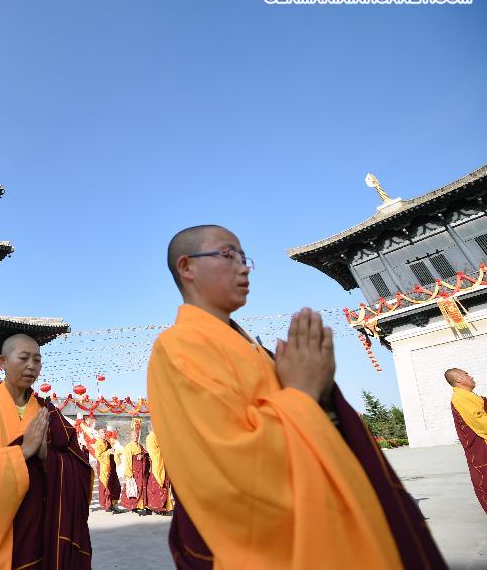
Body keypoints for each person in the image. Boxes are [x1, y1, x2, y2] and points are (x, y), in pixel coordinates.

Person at [147, 224, 446, 568]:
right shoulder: (178, 347)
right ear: (187, 267)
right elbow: (230, 463)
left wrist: (320, 390)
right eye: (228, 255)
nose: (243, 267)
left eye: (245, 258)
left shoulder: (252, 347)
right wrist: (303, 392)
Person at [0, 334, 93, 569]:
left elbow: (79, 467)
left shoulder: (47, 410)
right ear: (2, 362)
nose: (32, 366)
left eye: (37, 360)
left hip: (42, 529)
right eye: (24, 358)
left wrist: (47, 457)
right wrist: (23, 451)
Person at [445, 367, 487, 513]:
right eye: (466, 374)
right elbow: (480, 422)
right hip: (481, 449)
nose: (471, 376)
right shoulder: (460, 398)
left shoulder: (469, 396)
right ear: (458, 380)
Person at [120, 418, 149, 515]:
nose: (136, 437)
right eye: (134, 435)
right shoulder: (129, 447)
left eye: (137, 435)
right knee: (134, 488)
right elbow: (127, 460)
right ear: (131, 437)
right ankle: (132, 506)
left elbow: (145, 453)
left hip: (141, 471)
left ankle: (140, 505)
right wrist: (129, 473)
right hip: (134, 471)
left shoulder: (140, 446)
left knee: (141, 487)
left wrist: (143, 455)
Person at [144, 430, 172, 514]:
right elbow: (153, 452)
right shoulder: (150, 437)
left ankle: (165, 506)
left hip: (164, 463)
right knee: (156, 487)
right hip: (157, 465)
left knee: (165, 485)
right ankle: (157, 507)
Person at [94, 437, 122, 513]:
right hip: (103, 467)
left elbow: (111, 453)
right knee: (105, 486)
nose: (104, 434)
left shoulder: (108, 443)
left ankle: (114, 504)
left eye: (105, 433)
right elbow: (98, 456)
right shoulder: (98, 444)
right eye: (102, 433)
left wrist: (114, 452)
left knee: (115, 485)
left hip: (111, 466)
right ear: (99, 435)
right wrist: (108, 453)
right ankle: (107, 505)